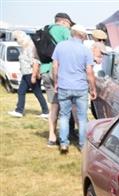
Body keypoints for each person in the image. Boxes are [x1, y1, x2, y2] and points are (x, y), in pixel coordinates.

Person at [52, 24, 96, 153]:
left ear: (72, 33)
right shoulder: (85, 50)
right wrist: (93, 89)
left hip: (64, 85)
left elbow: (55, 66)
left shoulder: (60, 46)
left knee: (64, 116)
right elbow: (89, 72)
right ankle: (82, 145)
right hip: (80, 87)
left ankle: (64, 143)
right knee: (82, 118)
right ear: (82, 35)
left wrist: (56, 82)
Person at [39, 12, 73, 147]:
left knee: (54, 106)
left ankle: (52, 137)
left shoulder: (45, 30)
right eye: (69, 24)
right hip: (59, 71)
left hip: (45, 70)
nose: (70, 27)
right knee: (69, 103)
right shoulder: (64, 31)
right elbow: (71, 50)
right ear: (64, 22)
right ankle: (68, 135)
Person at [8, 30, 49, 118]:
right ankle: (19, 111)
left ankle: (46, 112)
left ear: (20, 38)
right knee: (21, 91)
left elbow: (35, 62)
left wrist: (33, 76)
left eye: (16, 39)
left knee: (37, 93)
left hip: (30, 73)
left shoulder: (30, 46)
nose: (15, 41)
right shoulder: (25, 46)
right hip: (26, 73)